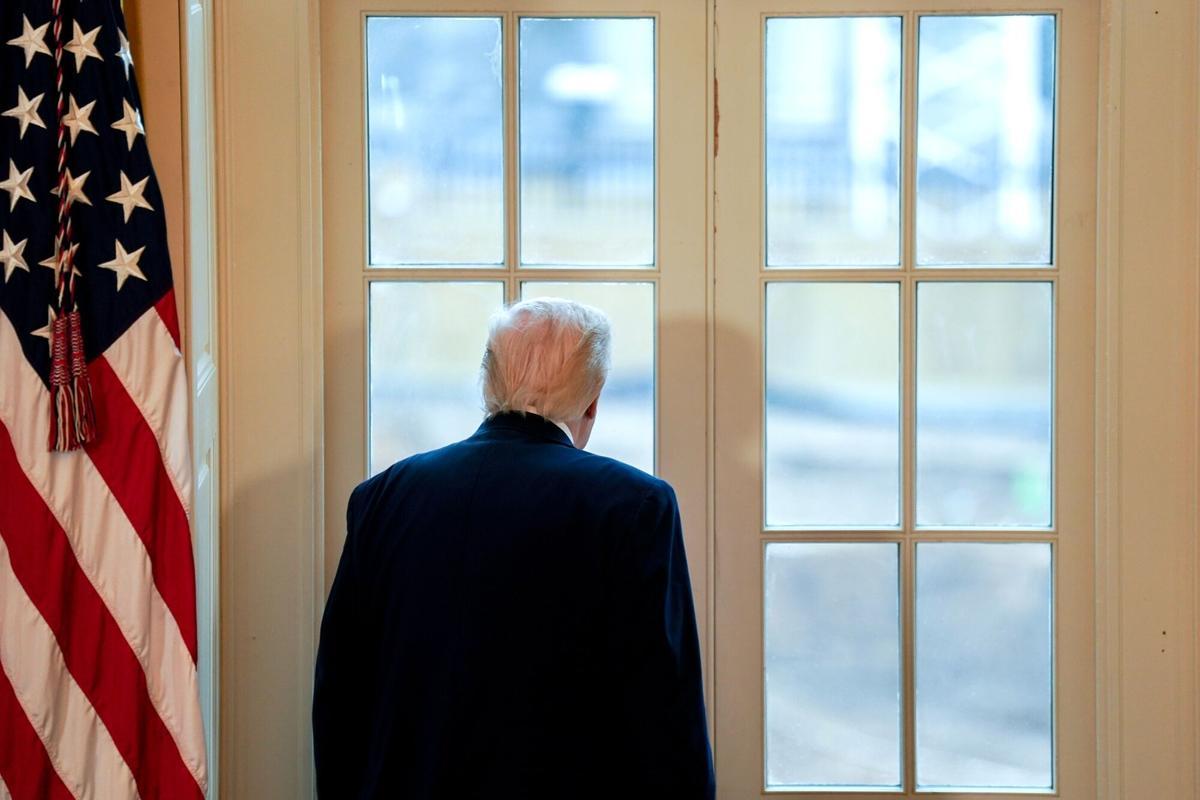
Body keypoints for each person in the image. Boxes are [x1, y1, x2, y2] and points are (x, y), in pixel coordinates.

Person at [313, 298, 715, 799]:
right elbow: (665, 717)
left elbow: (340, 701)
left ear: (488, 384)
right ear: (592, 400)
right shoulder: (634, 507)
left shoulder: (382, 498)